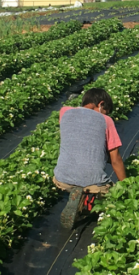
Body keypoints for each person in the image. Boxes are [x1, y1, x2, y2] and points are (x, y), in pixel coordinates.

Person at [53, 87, 127, 229]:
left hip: (61, 177)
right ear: (101, 104)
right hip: (92, 181)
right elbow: (116, 159)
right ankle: (85, 200)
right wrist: (127, 186)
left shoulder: (64, 112)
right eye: (105, 110)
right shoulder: (106, 120)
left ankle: (78, 194)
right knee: (112, 193)